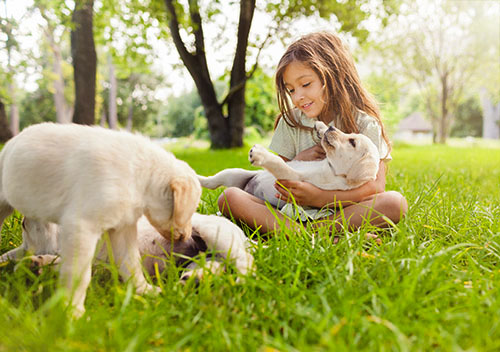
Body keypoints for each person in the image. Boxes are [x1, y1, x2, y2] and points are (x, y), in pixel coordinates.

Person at [217, 31, 408, 237]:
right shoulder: (290, 122)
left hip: (340, 211)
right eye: (290, 90)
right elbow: (271, 178)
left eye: (306, 84)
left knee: (394, 203)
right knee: (229, 197)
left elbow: (375, 187)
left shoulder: (364, 123)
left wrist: (320, 197)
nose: (298, 97)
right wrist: (298, 161)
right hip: (289, 212)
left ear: (334, 76)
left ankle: (307, 234)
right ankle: (322, 235)